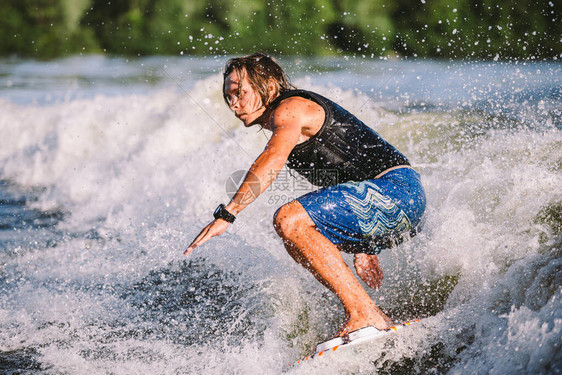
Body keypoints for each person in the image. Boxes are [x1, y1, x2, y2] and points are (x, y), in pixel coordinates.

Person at [185, 53, 426, 338]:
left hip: (399, 191)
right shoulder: (286, 116)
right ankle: (366, 310)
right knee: (294, 237)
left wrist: (228, 213)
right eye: (228, 97)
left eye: (240, 92)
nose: (233, 104)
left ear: (270, 86)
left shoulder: (290, 108)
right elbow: (351, 175)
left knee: (289, 219)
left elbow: (272, 159)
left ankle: (364, 313)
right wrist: (365, 245)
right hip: (390, 199)